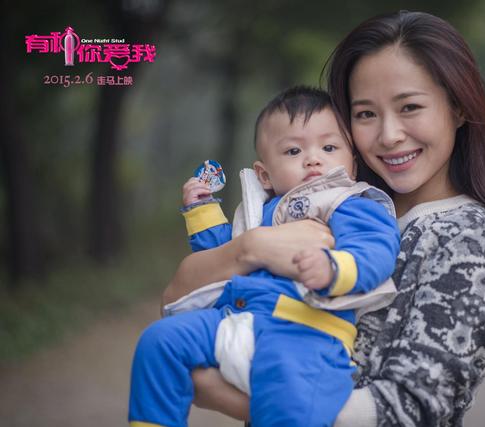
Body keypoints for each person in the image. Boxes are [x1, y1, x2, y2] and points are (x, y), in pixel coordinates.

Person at [163, 10, 485, 426]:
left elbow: (413, 408)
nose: (389, 135)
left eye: (410, 107)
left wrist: (240, 398)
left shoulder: (468, 236)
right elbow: (176, 300)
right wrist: (250, 247)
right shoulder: (321, 202)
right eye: (365, 114)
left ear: (457, 108)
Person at [128, 86, 401, 427]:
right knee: (160, 341)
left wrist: (335, 268)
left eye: (329, 147)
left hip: (305, 334)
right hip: (236, 319)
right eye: (293, 150)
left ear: (353, 164)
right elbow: (224, 254)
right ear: (264, 174)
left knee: (285, 409)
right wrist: (202, 211)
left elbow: (376, 248)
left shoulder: (349, 202)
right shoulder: (259, 210)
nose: (313, 159)